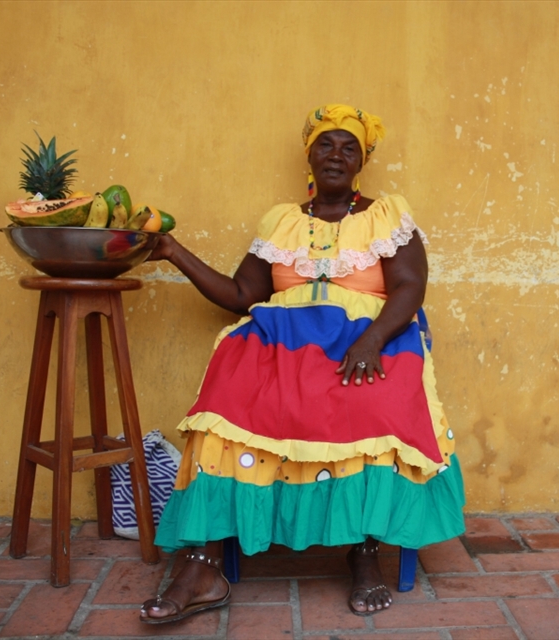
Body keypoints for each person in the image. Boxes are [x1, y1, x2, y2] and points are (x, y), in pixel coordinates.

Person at [139, 104, 465, 623]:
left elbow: (410, 287)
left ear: (362, 160)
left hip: (368, 341)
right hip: (280, 342)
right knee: (223, 407)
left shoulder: (386, 216)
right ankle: (202, 566)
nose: (336, 155)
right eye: (326, 144)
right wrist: (173, 251)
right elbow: (243, 293)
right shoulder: (281, 221)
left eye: (349, 146)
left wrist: (373, 341)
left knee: (375, 404)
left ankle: (363, 553)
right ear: (309, 156)